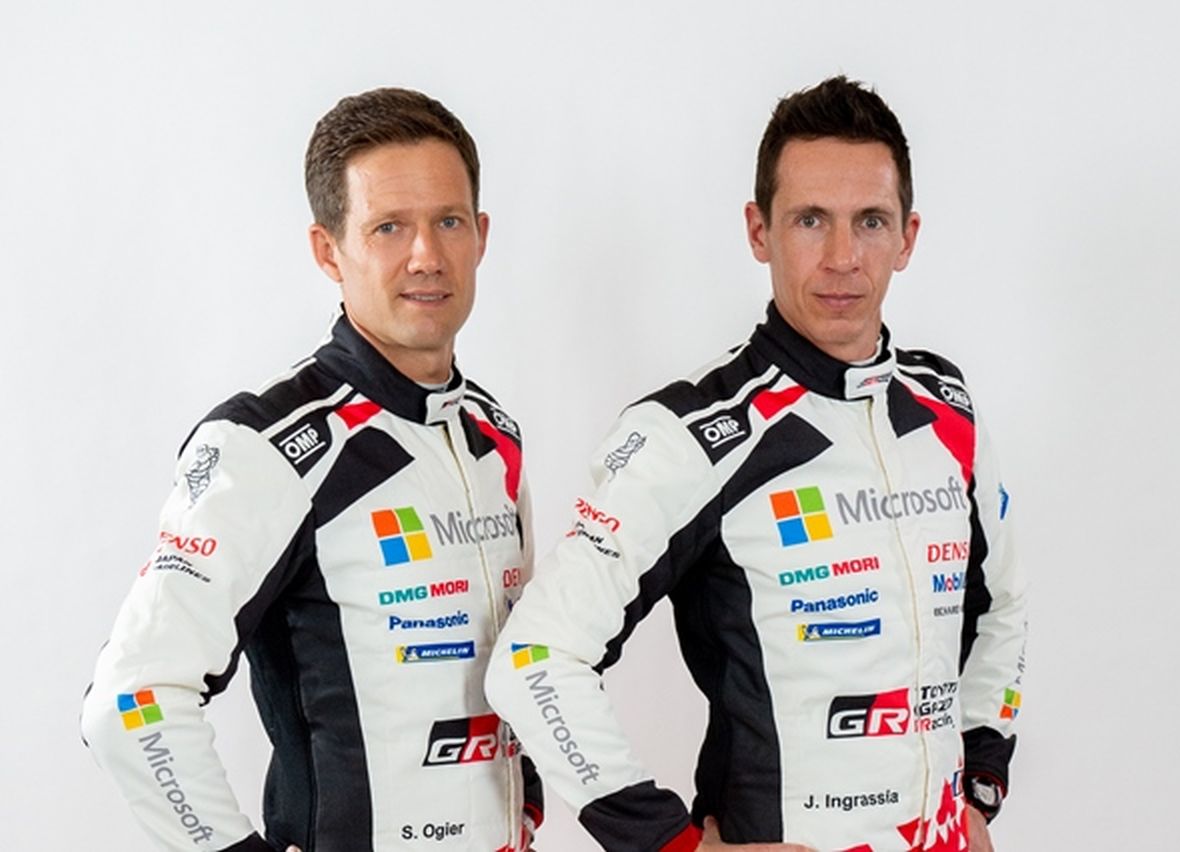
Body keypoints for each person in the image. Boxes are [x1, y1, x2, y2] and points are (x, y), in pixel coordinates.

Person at [485, 76, 1026, 852]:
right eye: (811, 220)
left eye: (870, 221)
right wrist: (674, 844)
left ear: (907, 237)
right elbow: (535, 660)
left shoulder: (947, 407)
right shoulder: (686, 436)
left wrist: (978, 788)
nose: (842, 258)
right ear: (759, 230)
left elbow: (1001, 604)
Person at [82, 87, 541, 851]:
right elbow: (130, 704)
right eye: (389, 227)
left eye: (448, 222)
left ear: (481, 236)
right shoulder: (263, 447)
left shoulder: (494, 435)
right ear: (329, 250)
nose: (426, 256)